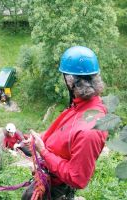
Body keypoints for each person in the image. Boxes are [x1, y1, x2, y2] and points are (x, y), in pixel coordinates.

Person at [22, 46, 108, 200]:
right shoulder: (82, 106)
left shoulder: (89, 130)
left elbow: (77, 179)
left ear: (70, 80)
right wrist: (39, 139)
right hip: (49, 178)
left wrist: (43, 151)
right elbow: (64, 135)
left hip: (56, 189)